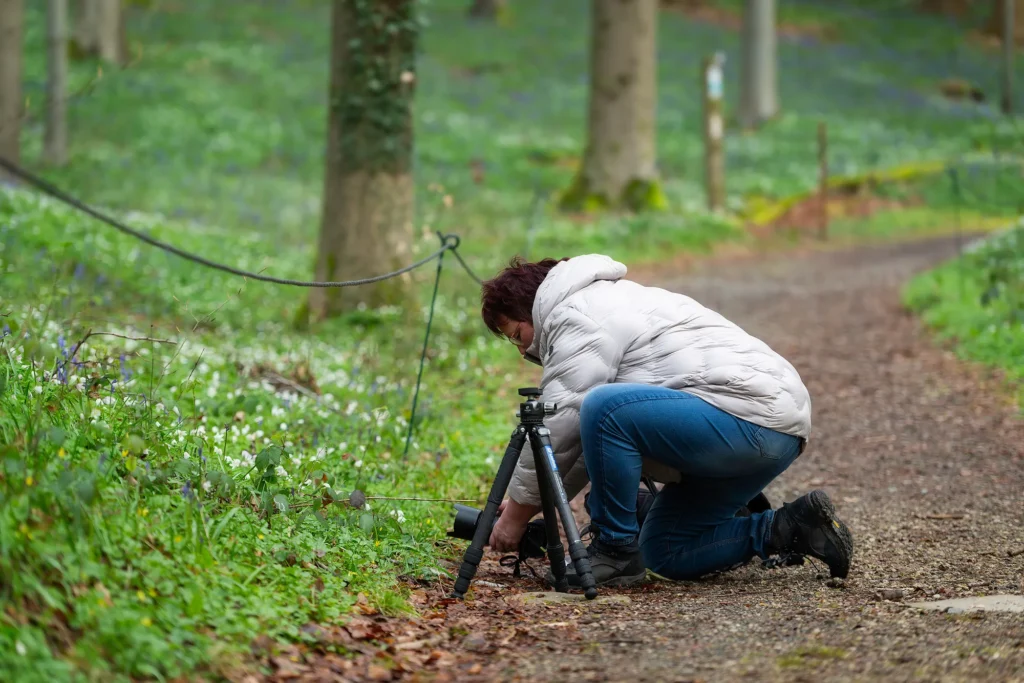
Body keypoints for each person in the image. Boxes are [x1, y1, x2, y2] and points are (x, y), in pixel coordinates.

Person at [480, 254, 853, 587]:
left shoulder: (578, 313)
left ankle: (614, 550)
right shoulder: (610, 298)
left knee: (605, 408)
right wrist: (522, 503)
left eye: (517, 335)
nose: (523, 350)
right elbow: (580, 440)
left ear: (533, 307)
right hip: (776, 432)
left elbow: (565, 419)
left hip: (748, 417)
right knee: (665, 551)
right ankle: (790, 527)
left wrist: (514, 519)